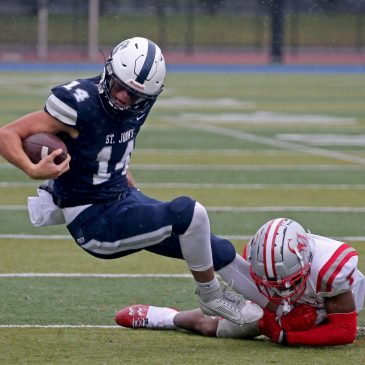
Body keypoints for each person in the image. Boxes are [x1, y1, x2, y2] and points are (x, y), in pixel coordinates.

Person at [0, 37, 265, 326]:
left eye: (135, 95)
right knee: (189, 213)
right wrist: (32, 169)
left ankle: (279, 304)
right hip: (93, 220)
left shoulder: (140, 101)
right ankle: (211, 295)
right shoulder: (78, 104)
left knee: (214, 246)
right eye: (121, 88)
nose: (125, 97)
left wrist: (131, 188)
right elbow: (7, 134)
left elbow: (112, 149)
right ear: (109, 73)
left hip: (122, 197)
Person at [115, 218, 365, 346]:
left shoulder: (329, 269)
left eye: (287, 282)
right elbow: (266, 297)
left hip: (324, 309)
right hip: (276, 311)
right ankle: (163, 317)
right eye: (273, 283)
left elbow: (344, 331)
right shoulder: (258, 259)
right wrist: (273, 319)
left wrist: (283, 336)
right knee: (212, 325)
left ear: (306, 262)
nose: (281, 290)